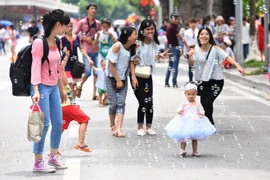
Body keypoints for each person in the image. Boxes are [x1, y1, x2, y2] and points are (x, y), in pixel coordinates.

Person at [31, 9, 70, 173]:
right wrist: (36, 91)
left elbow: (58, 68)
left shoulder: (58, 41)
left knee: (58, 123)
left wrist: (62, 90)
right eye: (65, 25)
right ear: (57, 24)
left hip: (54, 87)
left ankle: (53, 156)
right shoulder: (40, 42)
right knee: (43, 125)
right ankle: (38, 162)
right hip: (42, 88)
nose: (67, 28)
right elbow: (35, 67)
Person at [187, 27, 245, 126]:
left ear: (210, 36)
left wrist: (237, 65)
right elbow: (191, 64)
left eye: (206, 34)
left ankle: (210, 124)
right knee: (204, 102)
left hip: (216, 80)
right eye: (201, 34)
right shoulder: (195, 49)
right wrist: (190, 56)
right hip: (203, 81)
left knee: (208, 101)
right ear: (198, 36)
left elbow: (226, 57)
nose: (204, 36)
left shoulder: (215, 48)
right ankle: (206, 122)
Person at [129, 19, 168, 137]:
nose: (150, 31)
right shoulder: (137, 43)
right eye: (147, 29)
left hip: (147, 75)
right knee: (142, 102)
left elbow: (151, 59)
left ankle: (149, 127)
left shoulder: (154, 43)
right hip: (137, 76)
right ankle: (140, 126)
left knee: (149, 102)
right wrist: (133, 78)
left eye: (152, 28)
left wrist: (159, 56)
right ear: (142, 30)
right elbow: (132, 61)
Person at [164, 82, 216, 157]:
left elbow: (201, 109)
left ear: (196, 94)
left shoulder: (197, 103)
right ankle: (182, 149)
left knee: (195, 138)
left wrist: (202, 113)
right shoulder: (184, 103)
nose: (191, 96)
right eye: (189, 94)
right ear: (185, 94)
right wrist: (180, 111)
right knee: (183, 136)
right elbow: (179, 109)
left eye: (193, 94)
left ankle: (195, 151)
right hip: (185, 121)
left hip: (195, 121)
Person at [105, 26, 137, 138]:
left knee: (121, 103)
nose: (136, 36)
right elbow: (110, 64)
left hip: (123, 79)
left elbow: (131, 63)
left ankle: (119, 128)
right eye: (135, 34)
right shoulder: (117, 46)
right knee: (113, 104)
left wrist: (133, 77)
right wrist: (117, 79)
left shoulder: (132, 48)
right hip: (111, 78)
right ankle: (112, 125)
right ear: (128, 37)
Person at [60, 57, 91, 153]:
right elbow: (62, 74)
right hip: (70, 106)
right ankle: (81, 142)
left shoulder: (53, 85)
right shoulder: (62, 83)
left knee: (60, 128)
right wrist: (62, 67)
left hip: (62, 108)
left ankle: (54, 149)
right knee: (84, 119)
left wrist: (65, 58)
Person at [75, 3, 102, 99]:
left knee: (96, 73)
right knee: (87, 71)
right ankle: (80, 86)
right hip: (86, 50)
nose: (94, 10)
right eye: (92, 8)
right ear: (87, 10)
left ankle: (94, 94)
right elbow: (75, 34)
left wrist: (98, 37)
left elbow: (101, 35)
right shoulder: (82, 22)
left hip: (96, 50)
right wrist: (85, 39)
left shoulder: (98, 23)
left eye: (95, 8)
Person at [61, 21, 92, 99]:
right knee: (70, 83)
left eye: (71, 26)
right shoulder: (62, 39)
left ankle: (73, 101)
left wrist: (88, 58)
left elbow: (82, 49)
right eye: (67, 27)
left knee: (74, 84)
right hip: (66, 64)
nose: (70, 28)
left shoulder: (77, 38)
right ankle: (71, 102)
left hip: (75, 64)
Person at [165, 12, 188, 88]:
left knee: (170, 66)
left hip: (170, 48)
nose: (177, 20)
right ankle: (174, 83)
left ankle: (166, 82)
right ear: (172, 19)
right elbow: (181, 37)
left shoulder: (168, 27)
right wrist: (187, 46)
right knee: (175, 66)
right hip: (174, 48)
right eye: (176, 19)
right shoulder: (173, 28)